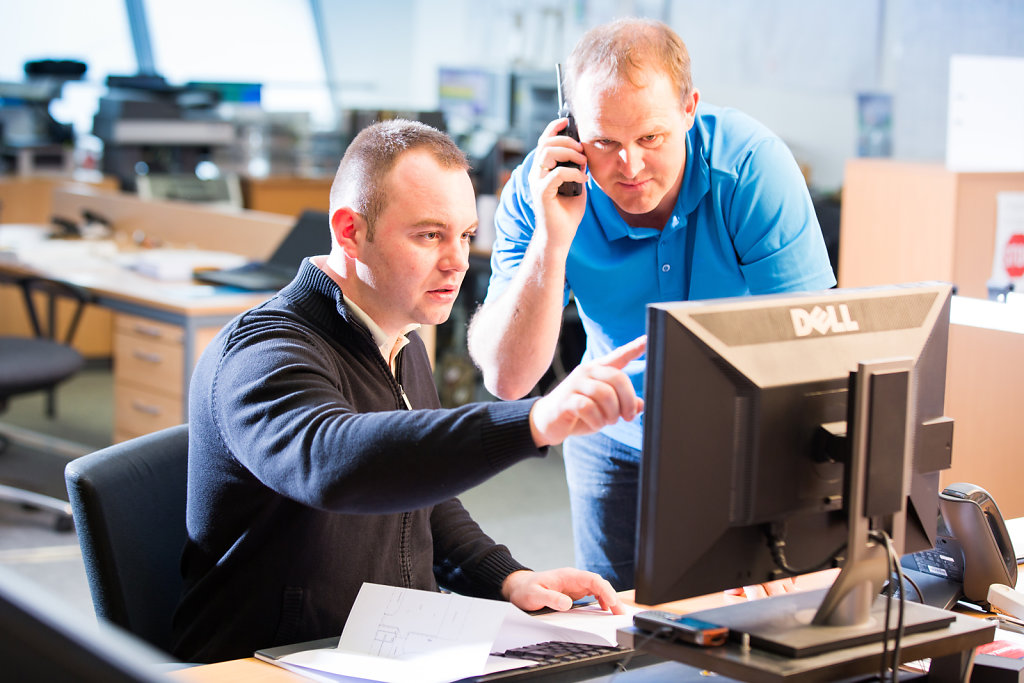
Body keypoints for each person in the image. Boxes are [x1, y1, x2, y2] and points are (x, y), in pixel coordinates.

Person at [172, 119, 645, 663]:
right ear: (350, 231)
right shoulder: (262, 352)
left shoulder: (401, 339)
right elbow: (334, 462)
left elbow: (424, 500)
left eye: (465, 235)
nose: (458, 261)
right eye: (429, 235)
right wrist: (531, 421)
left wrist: (507, 578)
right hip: (263, 663)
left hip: (378, 651)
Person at [467, 18, 837, 591]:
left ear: (689, 108)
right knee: (621, 629)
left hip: (745, 428)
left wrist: (779, 501)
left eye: (651, 139)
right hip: (613, 434)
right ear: (570, 130)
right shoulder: (537, 191)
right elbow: (509, 379)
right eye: (605, 143)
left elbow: (810, 355)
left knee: (747, 622)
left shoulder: (751, 170)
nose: (631, 167)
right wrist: (551, 239)